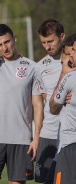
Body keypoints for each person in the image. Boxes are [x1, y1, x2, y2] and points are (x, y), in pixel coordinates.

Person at [0, 24, 44, 184]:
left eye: (7, 42)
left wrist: (36, 138)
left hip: (21, 140)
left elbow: (38, 105)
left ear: (15, 39)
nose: (4, 48)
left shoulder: (32, 67)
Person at [34, 19, 65, 184]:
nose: (47, 46)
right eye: (44, 42)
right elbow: (42, 102)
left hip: (69, 136)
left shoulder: (72, 61)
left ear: (62, 36)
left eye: (50, 41)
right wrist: (37, 136)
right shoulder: (39, 67)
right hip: (48, 134)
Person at [49, 35, 76, 183]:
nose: (68, 57)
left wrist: (64, 75)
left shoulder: (69, 78)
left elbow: (53, 108)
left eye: (73, 51)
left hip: (70, 147)